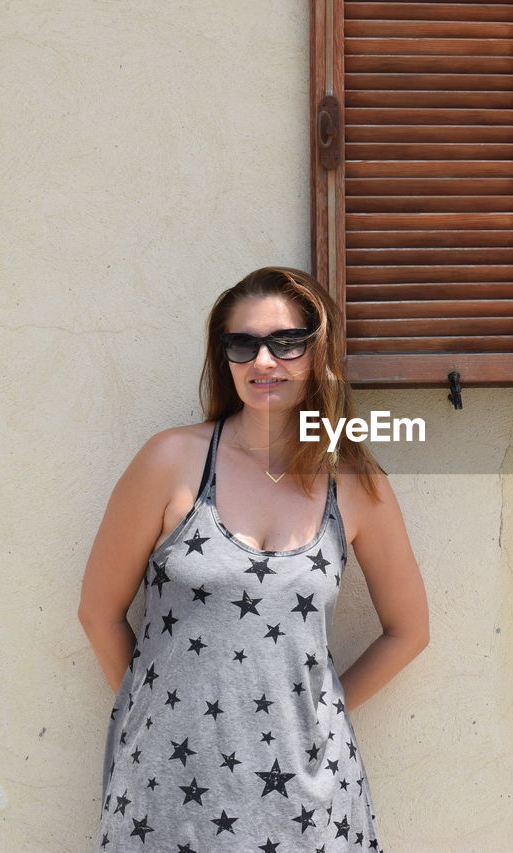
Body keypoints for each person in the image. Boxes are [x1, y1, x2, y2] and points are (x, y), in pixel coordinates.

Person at [78, 266, 429, 851]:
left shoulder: (354, 482)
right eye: (244, 344)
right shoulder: (171, 461)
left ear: (319, 354)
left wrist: (318, 712)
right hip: (168, 792)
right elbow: (98, 611)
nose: (264, 362)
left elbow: (410, 631)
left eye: (286, 342)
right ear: (225, 359)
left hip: (309, 801)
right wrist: (165, 711)